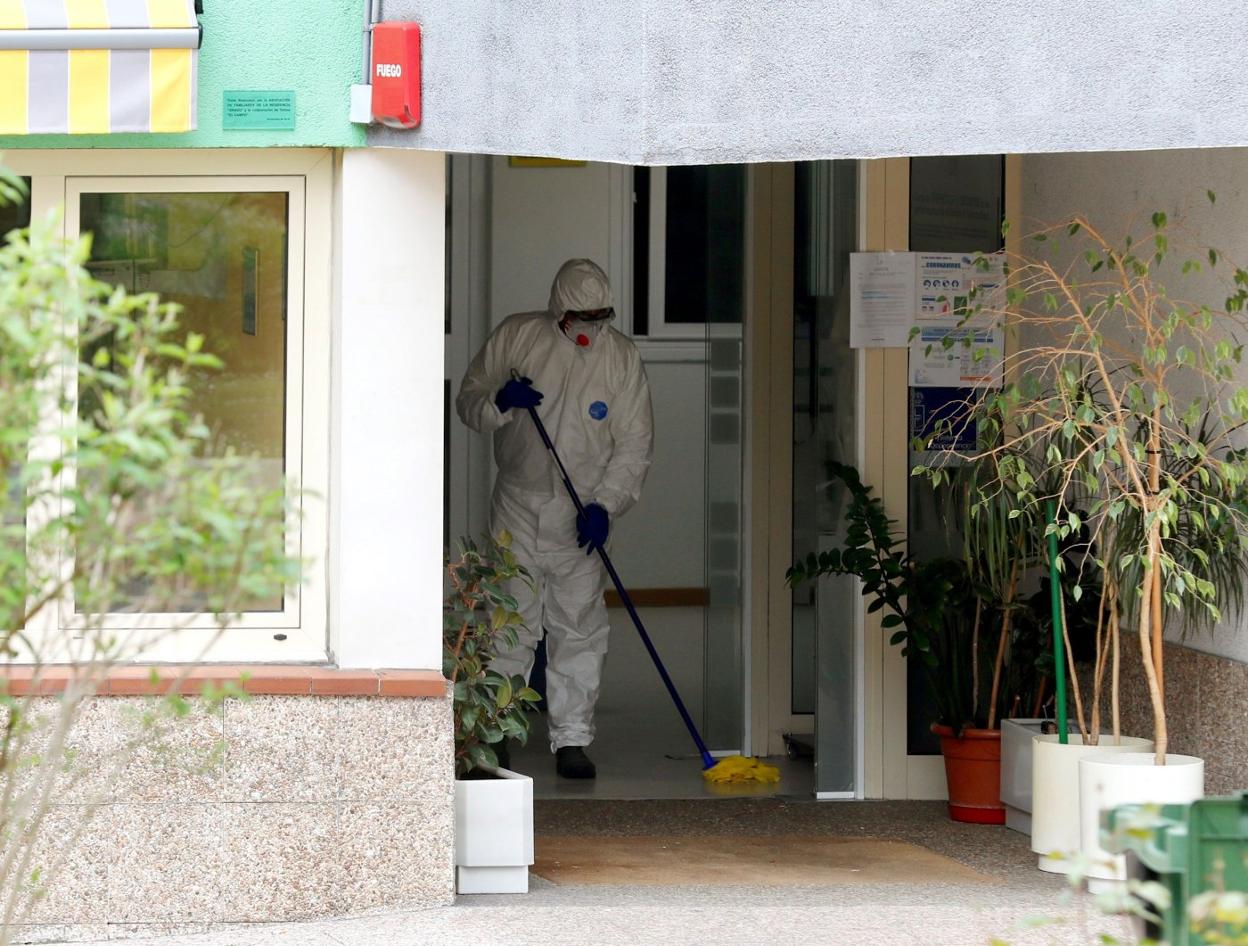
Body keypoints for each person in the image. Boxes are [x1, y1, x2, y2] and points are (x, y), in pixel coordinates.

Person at [456, 258, 653, 779]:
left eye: (599, 318)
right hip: (518, 505)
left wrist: (606, 506)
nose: (588, 330)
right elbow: (468, 402)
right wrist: (501, 400)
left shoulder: (621, 359)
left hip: (581, 512)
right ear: (558, 310)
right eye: (578, 319)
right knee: (508, 623)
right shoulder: (518, 337)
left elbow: (634, 444)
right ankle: (494, 733)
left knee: (578, 626)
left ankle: (572, 739)